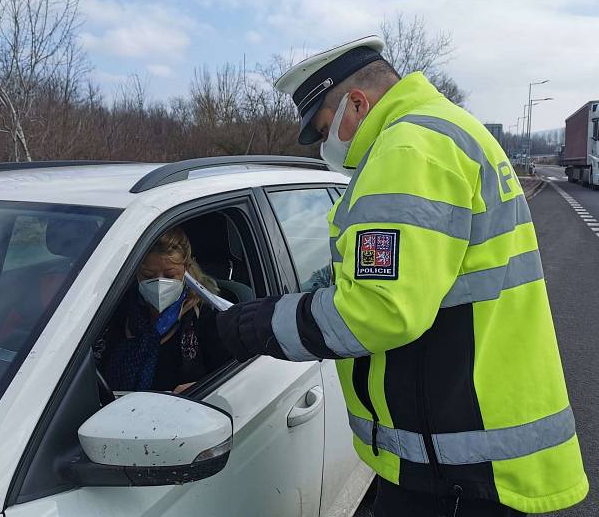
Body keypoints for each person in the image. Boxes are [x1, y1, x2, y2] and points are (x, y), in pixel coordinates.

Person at [215, 36, 587, 516]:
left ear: (357, 102)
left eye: (325, 128)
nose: (328, 143)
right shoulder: (447, 130)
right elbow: (422, 269)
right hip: (477, 442)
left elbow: (380, 310)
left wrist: (250, 324)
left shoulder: (407, 149)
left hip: (461, 463)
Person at [95, 226, 229, 394]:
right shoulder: (117, 307)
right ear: (135, 273)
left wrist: (200, 387)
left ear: (186, 269)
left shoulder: (207, 315)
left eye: (170, 275)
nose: (159, 284)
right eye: (149, 276)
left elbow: (230, 376)